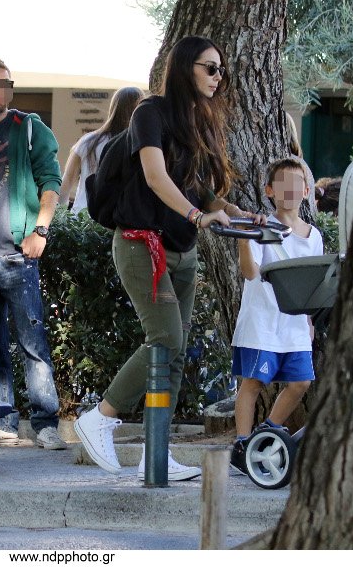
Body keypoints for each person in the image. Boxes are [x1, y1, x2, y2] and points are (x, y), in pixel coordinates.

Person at [74, 36, 262, 480]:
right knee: (165, 340)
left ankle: (155, 453)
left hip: (182, 250)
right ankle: (100, 416)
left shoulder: (197, 120)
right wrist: (198, 215)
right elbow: (156, 177)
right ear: (184, 68)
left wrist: (229, 209)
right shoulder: (150, 112)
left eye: (221, 70)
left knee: (173, 355)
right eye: (210, 68)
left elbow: (193, 184)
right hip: (143, 245)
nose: (218, 77)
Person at [0, 55, 67, 451]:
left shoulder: (28, 127)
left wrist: (41, 229)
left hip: (16, 255)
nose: (1, 91)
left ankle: (45, 424)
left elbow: (51, 181)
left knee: (34, 345)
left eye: (6, 83)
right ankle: (2, 422)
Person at [229, 157, 323, 474]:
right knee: (254, 382)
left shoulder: (314, 236)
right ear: (270, 190)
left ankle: (266, 433)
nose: (290, 191)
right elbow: (250, 272)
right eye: (283, 185)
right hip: (263, 322)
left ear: (306, 191)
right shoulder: (261, 227)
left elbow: (312, 281)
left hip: (295, 323)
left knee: (301, 382)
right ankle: (242, 444)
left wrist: (309, 320)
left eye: (297, 184)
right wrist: (246, 239)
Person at [57, 86, 144, 213]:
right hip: (121, 218)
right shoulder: (141, 145)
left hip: (82, 216)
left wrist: (60, 215)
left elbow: (67, 181)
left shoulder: (88, 141)